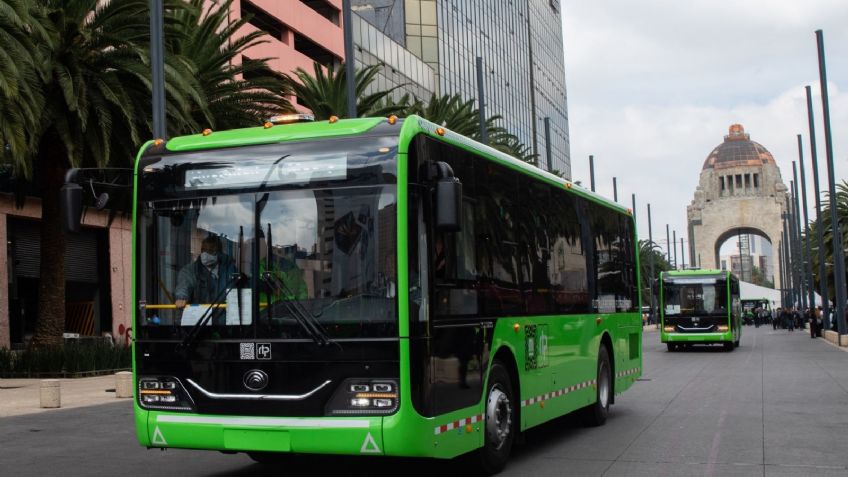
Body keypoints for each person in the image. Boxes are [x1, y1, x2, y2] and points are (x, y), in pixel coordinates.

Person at [175, 235, 237, 309]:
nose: (205, 254)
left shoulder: (229, 270)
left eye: (210, 251)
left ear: (219, 253)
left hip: (223, 317)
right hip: (200, 316)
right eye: (203, 250)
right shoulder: (191, 270)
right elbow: (184, 284)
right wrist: (181, 297)